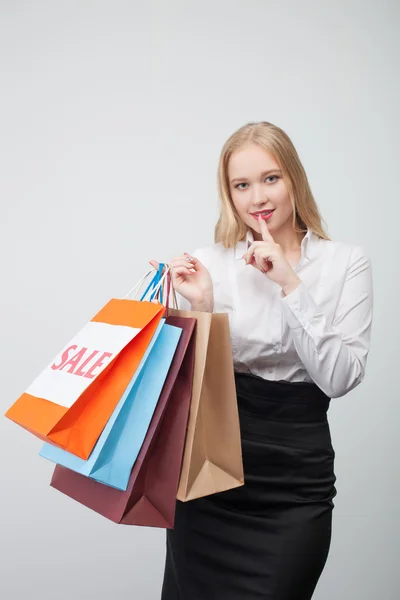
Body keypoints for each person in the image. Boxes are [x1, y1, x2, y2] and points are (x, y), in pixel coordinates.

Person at [152, 121, 373, 600]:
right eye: (242, 185)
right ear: (228, 194)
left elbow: (339, 378)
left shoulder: (345, 263)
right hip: (212, 468)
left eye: (271, 178)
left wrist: (291, 285)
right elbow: (192, 388)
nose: (258, 198)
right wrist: (201, 309)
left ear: (294, 178)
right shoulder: (209, 261)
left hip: (295, 476)